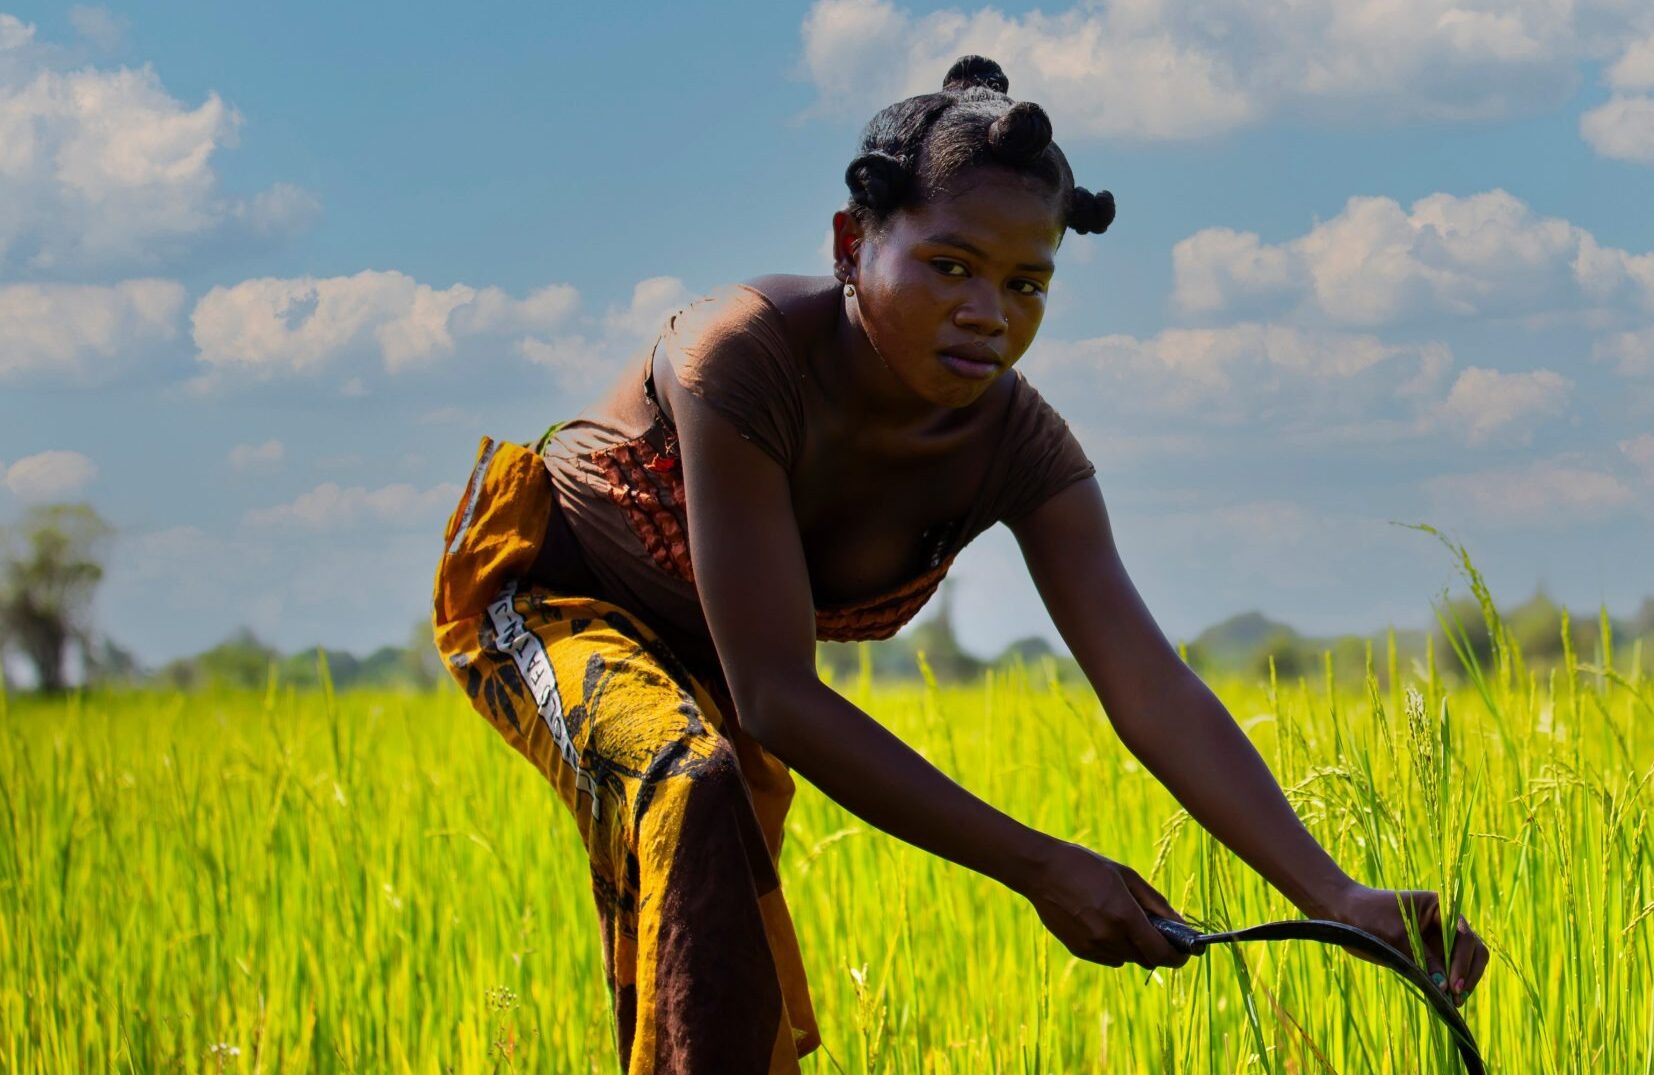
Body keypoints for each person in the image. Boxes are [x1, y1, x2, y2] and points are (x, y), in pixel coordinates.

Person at [430, 54, 1489, 1072]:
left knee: (715, 888)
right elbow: (777, 697)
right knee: (692, 782)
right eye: (948, 267)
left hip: (710, 672)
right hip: (546, 597)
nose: (989, 313)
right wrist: (1040, 866)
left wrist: (1334, 895)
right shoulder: (741, 357)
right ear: (851, 243)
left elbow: (1151, 686)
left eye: (1027, 283)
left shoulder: (1023, 450)